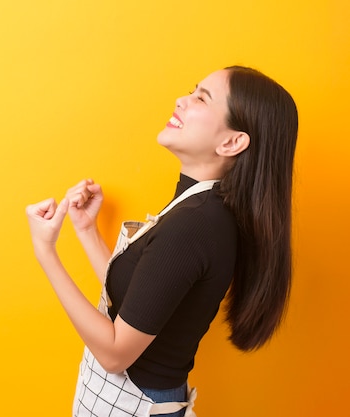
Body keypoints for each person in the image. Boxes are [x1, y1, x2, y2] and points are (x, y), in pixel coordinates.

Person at [25, 66, 298, 417]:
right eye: (192, 90)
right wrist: (86, 230)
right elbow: (138, 300)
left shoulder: (195, 224)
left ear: (232, 142)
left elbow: (114, 353)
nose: (181, 100)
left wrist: (45, 251)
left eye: (201, 98)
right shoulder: (200, 209)